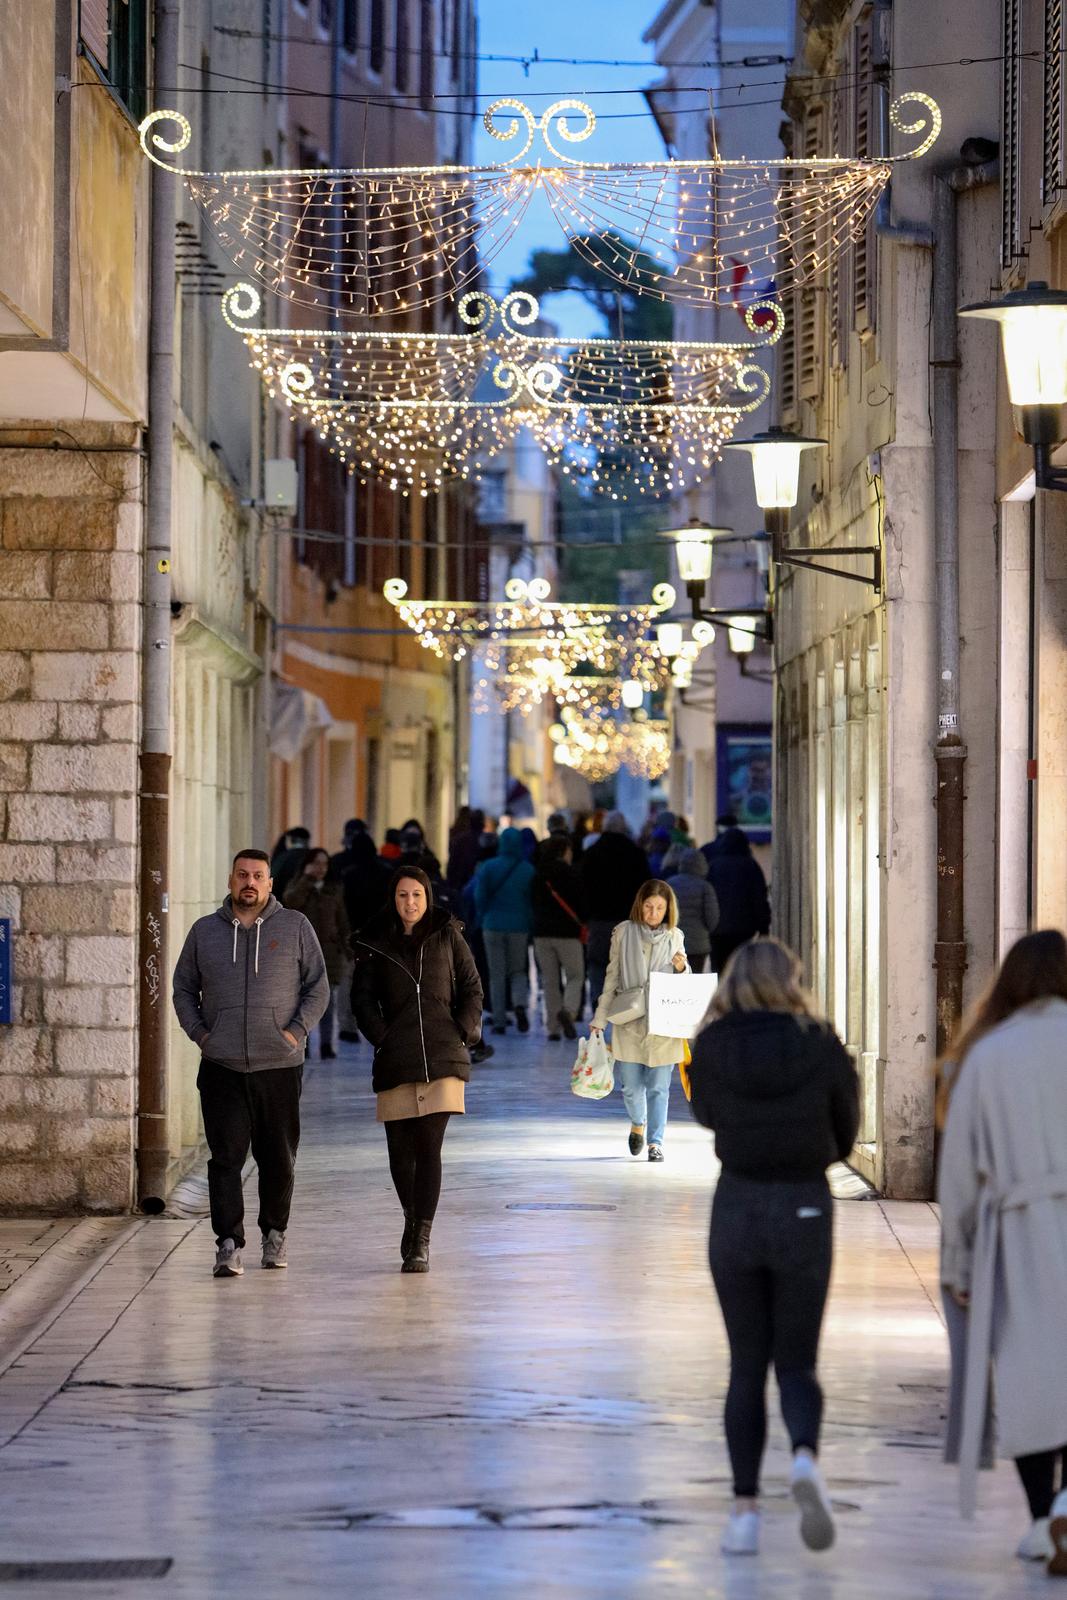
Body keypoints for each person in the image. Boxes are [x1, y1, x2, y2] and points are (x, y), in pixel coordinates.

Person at [687, 938, 859, 1558]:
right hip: (805, 1206)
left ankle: (744, 1512)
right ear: (793, 981)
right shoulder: (821, 1041)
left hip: (736, 1207)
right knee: (796, 1362)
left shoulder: (711, 1044)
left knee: (744, 1365)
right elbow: (846, 1132)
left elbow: (705, 1114)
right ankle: (806, 1459)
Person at [938, 929, 1067, 1569]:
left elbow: (959, 1172)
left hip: (1019, 1235)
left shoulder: (989, 1055)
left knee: (1030, 1376)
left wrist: (958, 1264)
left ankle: (1045, 1519)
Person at [172, 849, 330, 1278]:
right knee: (225, 1159)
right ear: (230, 880)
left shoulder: (296, 927)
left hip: (278, 1066)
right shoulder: (205, 932)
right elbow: (183, 988)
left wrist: (294, 1033)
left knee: (278, 1158)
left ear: (270, 883)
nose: (250, 882)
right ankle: (228, 1243)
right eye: (242, 874)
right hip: (222, 1065)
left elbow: (318, 988)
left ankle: (274, 1234)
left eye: (258, 876)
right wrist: (202, 1034)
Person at [352, 865, 482, 1273]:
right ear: (394, 899)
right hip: (397, 1057)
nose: (411, 903)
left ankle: (420, 1239)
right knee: (399, 1153)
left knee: (429, 1148)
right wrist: (382, 1036)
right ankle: (411, 1217)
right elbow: (361, 999)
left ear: (428, 898)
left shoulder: (448, 934)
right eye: (403, 895)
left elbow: (472, 987)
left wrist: (462, 1030)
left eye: (417, 896)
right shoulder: (376, 941)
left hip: (444, 1056)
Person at [591, 879, 689, 1163]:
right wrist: (600, 1018)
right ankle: (638, 1123)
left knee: (660, 1087)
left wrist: (682, 969)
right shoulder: (622, 933)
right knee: (631, 1086)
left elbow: (684, 980)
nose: (653, 913)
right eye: (648, 906)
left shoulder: (675, 936)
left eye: (660, 907)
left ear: (668, 909)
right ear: (639, 905)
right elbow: (611, 977)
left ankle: (655, 1142)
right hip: (629, 1019)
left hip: (664, 1022)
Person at [282, 848, 350, 1060]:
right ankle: (306, 1044)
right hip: (303, 952)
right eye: (317, 863)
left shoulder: (334, 889)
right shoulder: (298, 886)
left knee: (327, 1002)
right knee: (304, 1001)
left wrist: (346, 947)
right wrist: (306, 880)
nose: (321, 868)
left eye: (325, 864)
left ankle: (327, 1045)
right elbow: (290, 901)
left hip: (329, 953)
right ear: (307, 864)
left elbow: (342, 920)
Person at [580, 811, 649, 1011]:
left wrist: (586, 915)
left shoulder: (592, 853)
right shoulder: (635, 853)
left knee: (597, 962)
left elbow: (582, 886)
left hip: (599, 919)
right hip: (629, 920)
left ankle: (597, 998)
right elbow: (646, 887)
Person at [474, 825, 535, 1035]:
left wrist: (483, 914)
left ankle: (499, 1020)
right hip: (519, 926)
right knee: (518, 971)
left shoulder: (489, 867)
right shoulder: (527, 869)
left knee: (496, 974)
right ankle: (519, 1003)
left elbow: (479, 896)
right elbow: (531, 901)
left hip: (492, 925)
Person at [532, 836, 588, 1041]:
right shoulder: (572, 873)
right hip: (568, 933)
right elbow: (582, 902)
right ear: (565, 851)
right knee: (575, 976)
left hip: (541, 934)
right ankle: (568, 1011)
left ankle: (553, 1028)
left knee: (550, 981)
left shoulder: (538, 874)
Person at [701, 821, 771, 971]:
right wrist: (764, 927)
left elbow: (705, 898)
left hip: (717, 930)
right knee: (741, 968)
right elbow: (759, 898)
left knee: (719, 969)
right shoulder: (750, 866)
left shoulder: (713, 866)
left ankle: (722, 993)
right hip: (744, 929)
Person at [666, 849, 720, 973]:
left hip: (674, 943)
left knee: (676, 982)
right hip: (699, 945)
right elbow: (712, 919)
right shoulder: (705, 887)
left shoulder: (670, 884)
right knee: (695, 980)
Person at [446, 807, 484, 892]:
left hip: (460, 881)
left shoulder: (459, 838)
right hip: (478, 882)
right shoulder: (485, 840)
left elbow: (452, 863)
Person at [269, 826, 311, 901]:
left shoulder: (282, 857)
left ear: (291, 840)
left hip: (281, 901)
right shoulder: (312, 856)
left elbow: (273, 878)